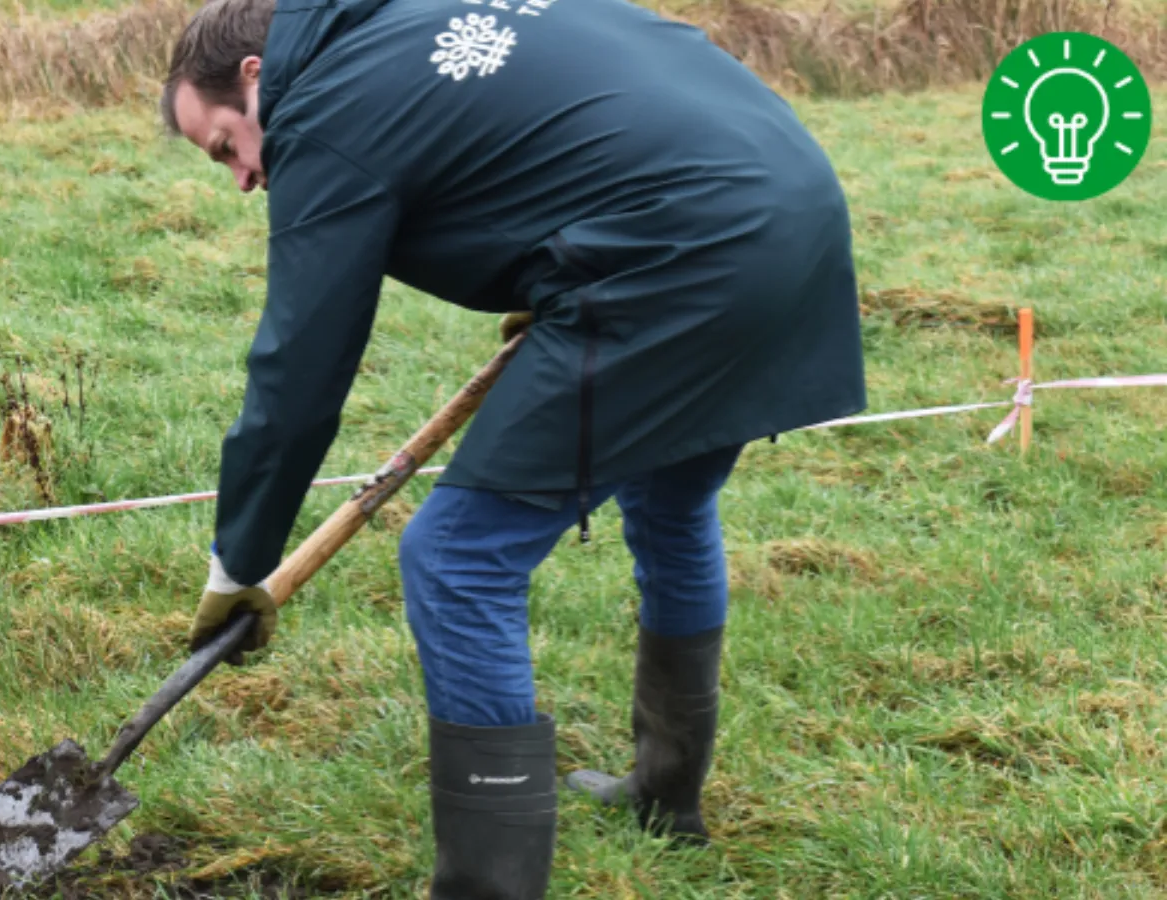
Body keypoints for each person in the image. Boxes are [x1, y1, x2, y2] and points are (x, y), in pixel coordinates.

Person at [165, 0, 866, 895]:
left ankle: (489, 888)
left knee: (457, 558)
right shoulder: (409, 19)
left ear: (258, 78)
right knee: (671, 496)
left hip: (680, 247)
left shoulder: (324, 110)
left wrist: (239, 564)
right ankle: (665, 795)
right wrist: (562, 252)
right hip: (790, 204)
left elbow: (299, 371)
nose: (242, 179)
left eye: (226, 146)